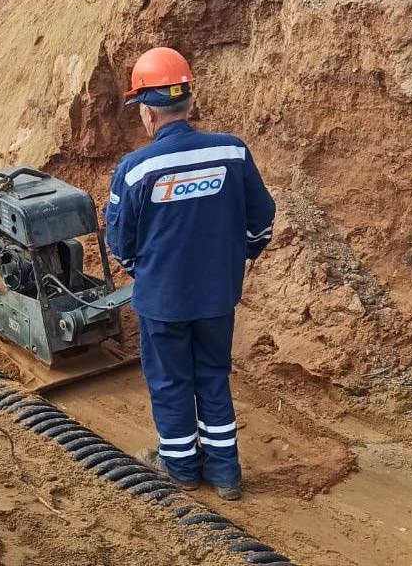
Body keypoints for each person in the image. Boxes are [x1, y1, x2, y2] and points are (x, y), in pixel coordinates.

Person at [104, 47, 275, 501]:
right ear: (189, 102)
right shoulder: (232, 152)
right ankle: (225, 473)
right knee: (212, 375)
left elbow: (120, 242)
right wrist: (242, 255)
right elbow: (262, 218)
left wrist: (146, 271)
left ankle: (180, 466)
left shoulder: (135, 168)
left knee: (170, 380)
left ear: (146, 112)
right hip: (217, 297)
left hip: (163, 301)